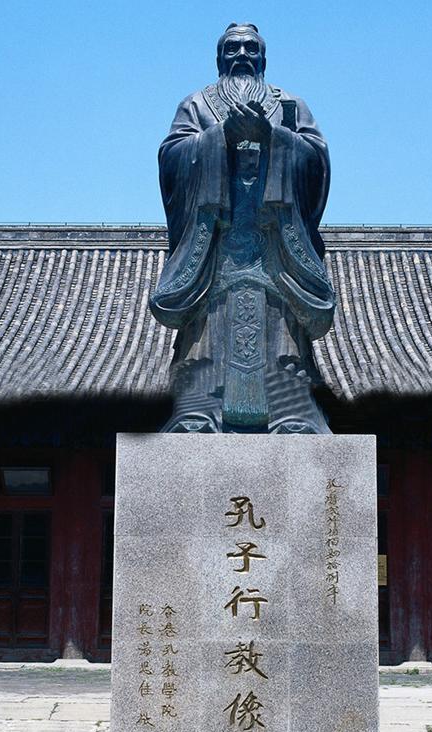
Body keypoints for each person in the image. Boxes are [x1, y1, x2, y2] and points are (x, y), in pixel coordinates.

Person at [150, 22, 336, 433]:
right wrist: (219, 137)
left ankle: (290, 415)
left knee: (282, 338)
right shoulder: (196, 105)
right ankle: (198, 413)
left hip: (274, 242)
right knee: (205, 337)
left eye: (251, 48)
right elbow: (172, 157)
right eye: (232, 48)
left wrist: (275, 138)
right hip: (217, 242)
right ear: (219, 58)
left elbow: (317, 161)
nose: (241, 55)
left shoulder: (290, 105)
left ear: (263, 58)